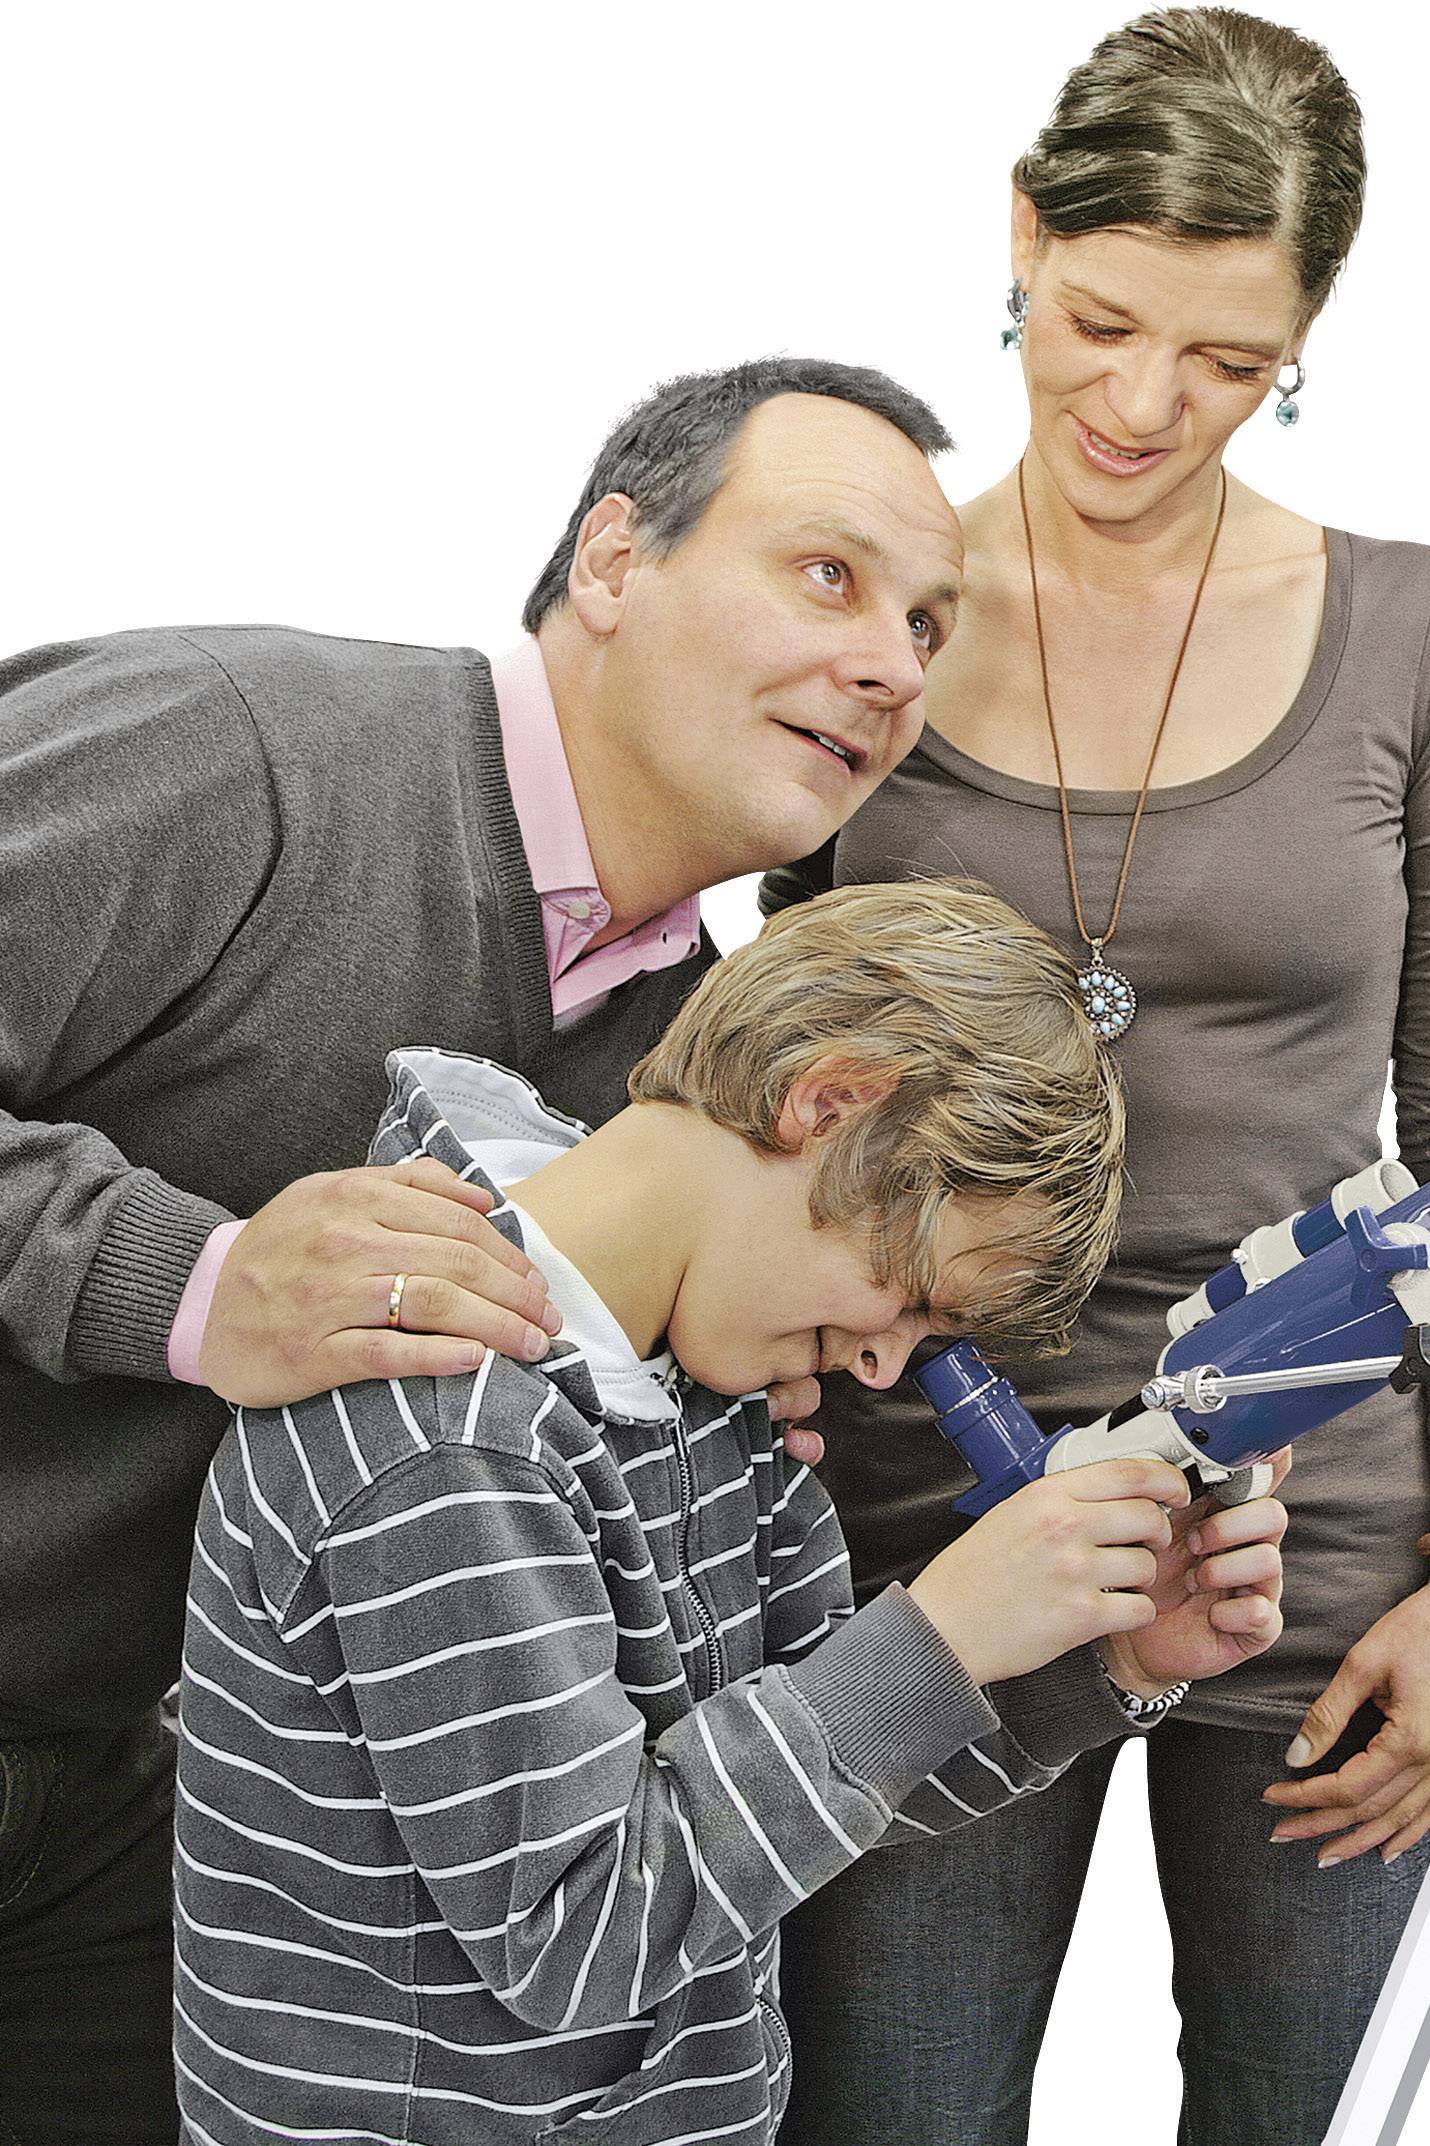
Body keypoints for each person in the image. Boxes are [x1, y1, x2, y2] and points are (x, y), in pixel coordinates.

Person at [0, 356, 973, 2142]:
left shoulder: (705, 1075)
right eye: (830, 576)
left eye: (929, 622)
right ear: (613, 560)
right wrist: (196, 1288)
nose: (893, 662)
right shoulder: (233, 752)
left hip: (135, 1811)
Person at [765, 14, 1430, 2142]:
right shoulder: (865, 603)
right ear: (1017, 239)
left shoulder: (1410, 627)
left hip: (1318, 1535)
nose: (1136, 402)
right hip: (923, 1516)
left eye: (1222, 355)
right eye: (1097, 320)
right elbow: (730, 1070)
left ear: (1304, 331)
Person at [172, 880, 1292, 2144]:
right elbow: (581, 1941)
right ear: (828, 1100)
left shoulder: (703, 1384)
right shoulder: (444, 1437)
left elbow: (788, 1808)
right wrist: (941, 1631)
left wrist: (1101, 1660)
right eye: (911, 1294)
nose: (882, 1365)